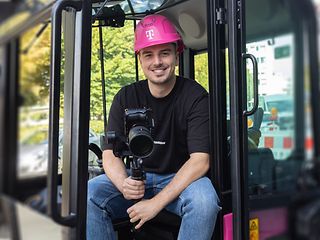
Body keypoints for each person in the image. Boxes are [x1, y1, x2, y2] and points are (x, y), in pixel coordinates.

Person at [87, 14, 220, 240]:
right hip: (137, 177)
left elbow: (200, 160)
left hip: (181, 179)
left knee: (205, 201)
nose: (157, 62)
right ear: (140, 59)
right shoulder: (126, 97)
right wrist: (124, 184)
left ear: (177, 56)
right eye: (148, 54)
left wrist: (155, 204)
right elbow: (110, 154)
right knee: (89, 194)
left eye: (164, 53)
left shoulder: (195, 97)